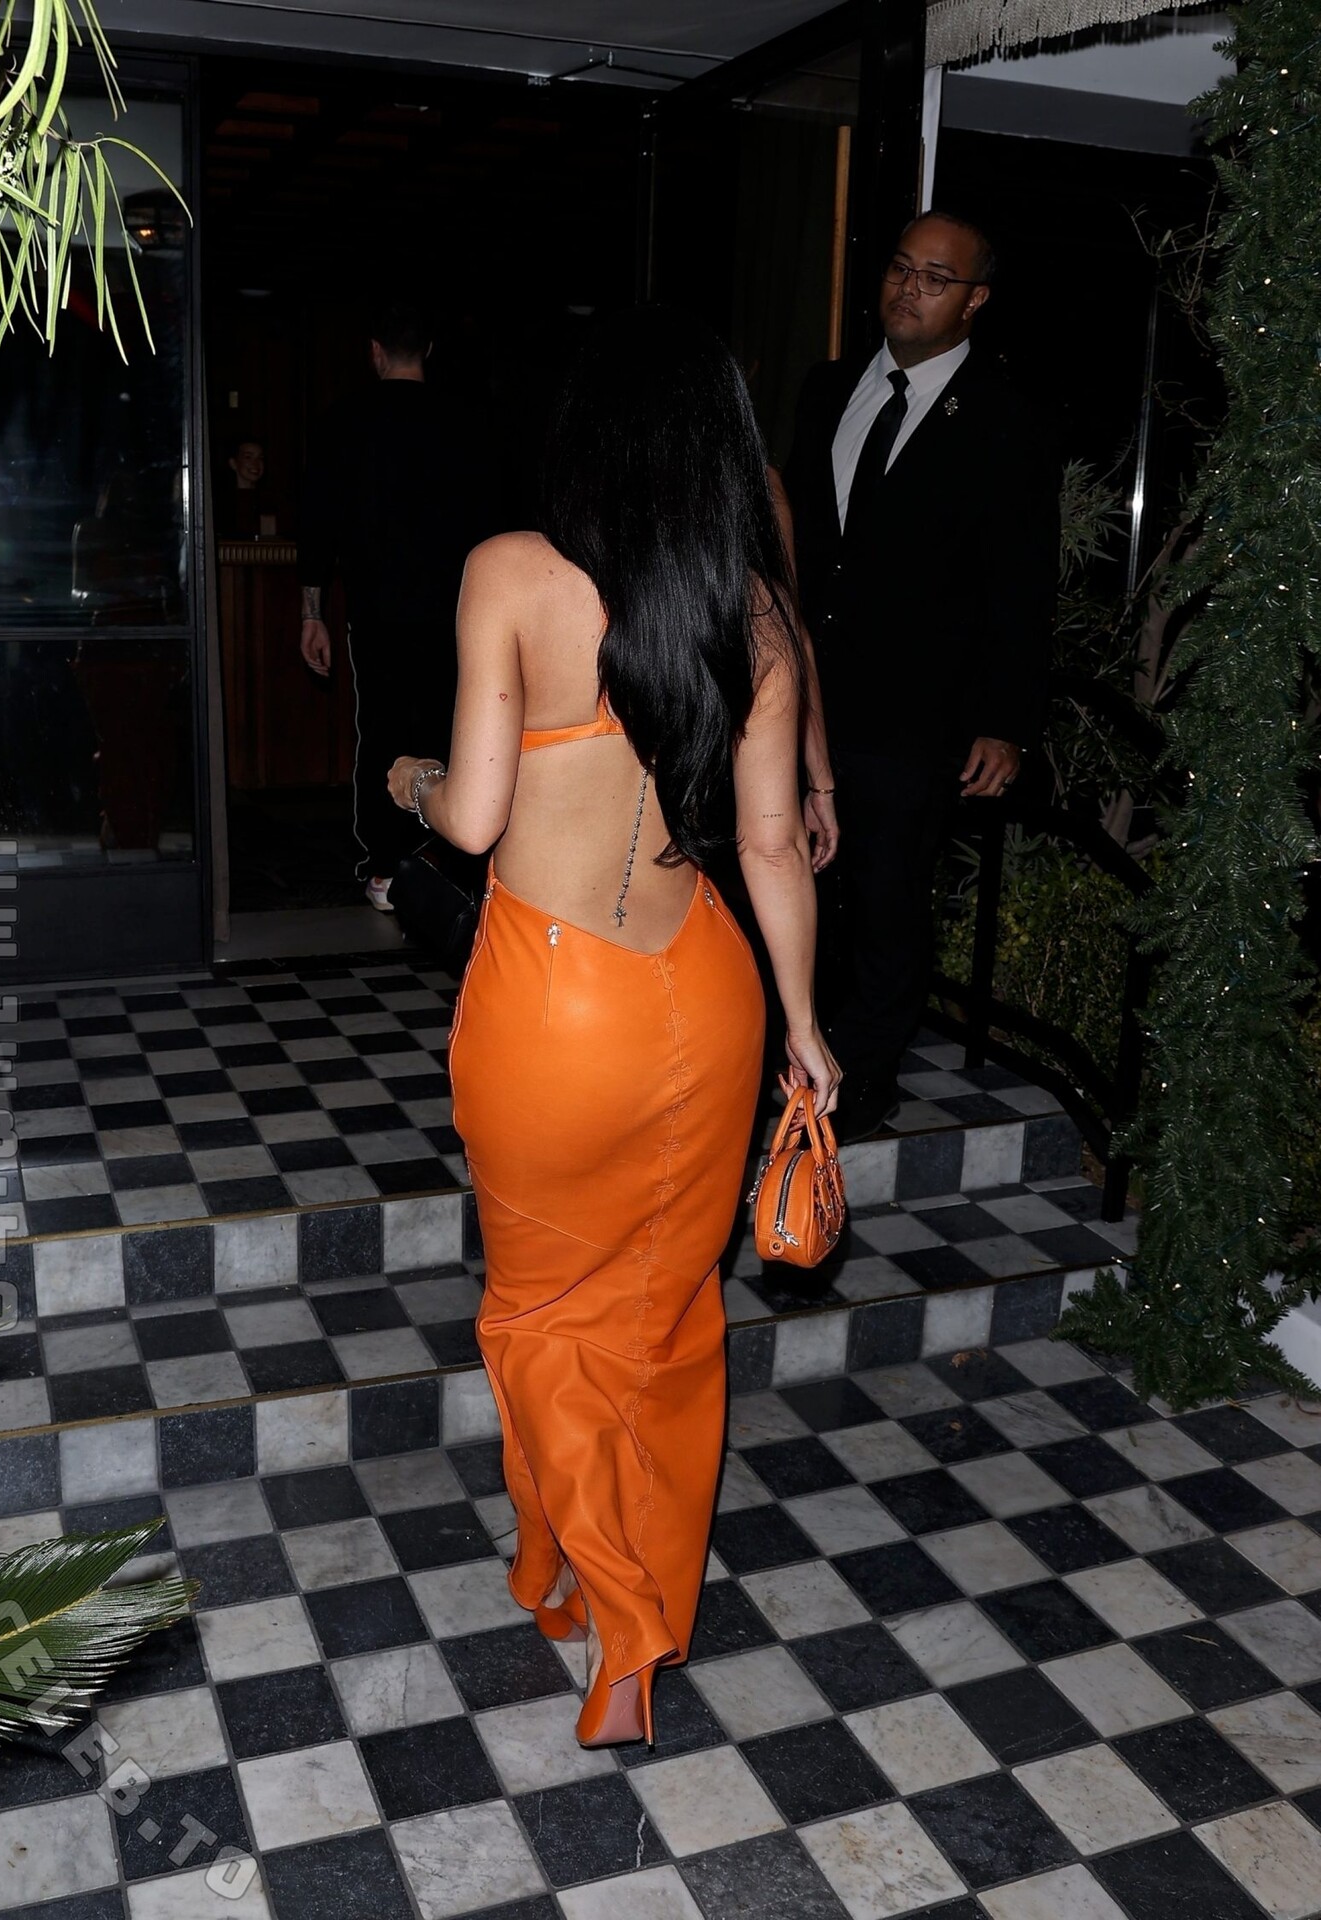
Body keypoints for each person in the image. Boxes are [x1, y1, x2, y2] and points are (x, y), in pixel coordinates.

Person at [387, 308, 839, 1749]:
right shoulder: (756, 610)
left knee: (541, 1319)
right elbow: (771, 844)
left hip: (555, 1006)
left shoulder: (512, 573)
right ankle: (590, 1582)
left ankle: (620, 1626)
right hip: (705, 996)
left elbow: (472, 819)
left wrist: (406, 780)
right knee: (663, 1317)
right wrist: (805, 1026)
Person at [782, 210, 1058, 1141]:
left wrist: (1004, 720)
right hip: (799, 698)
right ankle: (787, 1051)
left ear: (974, 300)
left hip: (914, 711)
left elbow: (1022, 582)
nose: (907, 288)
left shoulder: (1007, 421)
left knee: (885, 894)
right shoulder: (827, 388)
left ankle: (860, 1079)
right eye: (900, 268)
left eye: (934, 278)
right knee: (789, 876)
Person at [298, 297, 483, 911]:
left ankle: (384, 870)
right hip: (455, 612)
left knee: (381, 732)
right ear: (427, 350)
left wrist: (311, 613)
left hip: (376, 612)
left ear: (375, 352)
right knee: (451, 730)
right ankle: (446, 861)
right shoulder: (464, 423)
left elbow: (317, 527)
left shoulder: (343, 421)